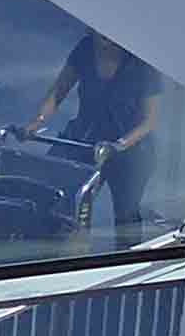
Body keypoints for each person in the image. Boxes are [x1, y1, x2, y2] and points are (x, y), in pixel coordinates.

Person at [18, 30, 165, 237]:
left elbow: (149, 121)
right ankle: (64, 249)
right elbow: (59, 91)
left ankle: (128, 251)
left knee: (126, 214)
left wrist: (118, 145)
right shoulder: (85, 49)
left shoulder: (142, 63)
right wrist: (36, 122)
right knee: (66, 204)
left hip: (132, 151)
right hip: (88, 143)